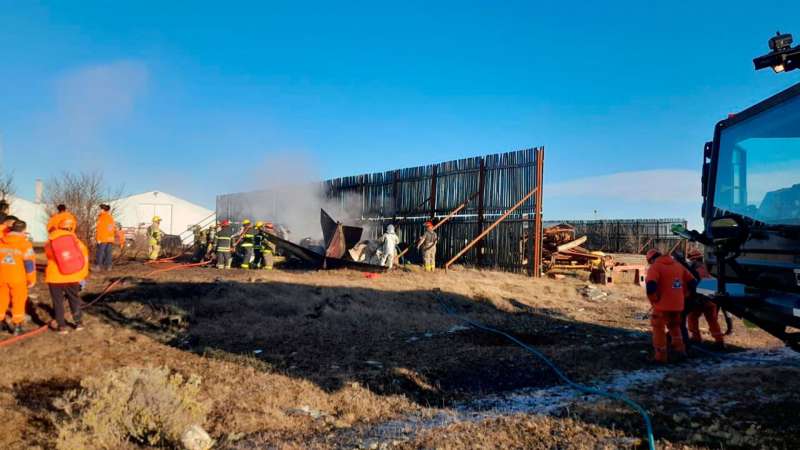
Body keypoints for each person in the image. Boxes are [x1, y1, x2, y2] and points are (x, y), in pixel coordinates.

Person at [645, 249, 695, 363]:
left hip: (661, 307)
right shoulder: (678, 265)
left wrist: (654, 300)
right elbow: (693, 282)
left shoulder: (655, 267)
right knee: (675, 327)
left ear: (651, 259)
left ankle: (660, 357)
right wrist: (685, 296)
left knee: (658, 329)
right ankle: (680, 351)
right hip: (678, 306)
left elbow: (651, 287)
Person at [45, 217, 89, 334]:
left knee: (57, 302)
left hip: (54, 277)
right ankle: (78, 323)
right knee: (74, 299)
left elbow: (48, 255)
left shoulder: (50, 241)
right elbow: (84, 260)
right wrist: (82, 276)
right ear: (72, 228)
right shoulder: (77, 242)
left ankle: (62, 326)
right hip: (73, 277)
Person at [0, 220, 36, 335]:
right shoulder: (25, 244)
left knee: (1, 299)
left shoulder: (1, 241)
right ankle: (17, 326)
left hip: (1, 277)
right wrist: (31, 279)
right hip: (18, 278)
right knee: (18, 300)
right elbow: (29, 264)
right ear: (23, 230)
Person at [685, 248, 725, 348]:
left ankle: (696, 338)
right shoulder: (706, 269)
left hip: (701, 300)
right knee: (712, 320)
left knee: (692, 317)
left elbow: (696, 286)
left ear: (693, 259)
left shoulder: (695, 270)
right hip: (711, 300)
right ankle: (719, 341)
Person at [94, 204, 117, 271]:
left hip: (103, 238)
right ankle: (109, 266)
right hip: (110, 238)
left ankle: (98, 266)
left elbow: (99, 229)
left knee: (100, 252)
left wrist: (98, 238)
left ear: (102, 210)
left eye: (99, 209)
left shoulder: (101, 217)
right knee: (108, 253)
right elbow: (112, 228)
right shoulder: (110, 217)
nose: (99, 210)